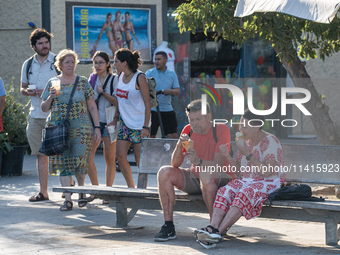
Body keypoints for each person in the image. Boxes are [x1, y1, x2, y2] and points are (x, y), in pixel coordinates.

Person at [194, 110, 285, 249]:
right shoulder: (244, 142)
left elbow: (267, 173)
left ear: (256, 127)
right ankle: (212, 227)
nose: (240, 129)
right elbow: (239, 173)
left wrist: (248, 154)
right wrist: (228, 156)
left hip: (269, 181)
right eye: (240, 125)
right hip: (248, 180)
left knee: (245, 193)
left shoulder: (271, 141)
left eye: (244, 126)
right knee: (225, 190)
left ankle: (218, 233)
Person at [153, 99, 233, 242]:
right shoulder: (188, 130)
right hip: (196, 177)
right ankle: (168, 226)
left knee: (206, 174)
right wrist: (179, 144)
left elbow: (218, 164)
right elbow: (175, 164)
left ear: (208, 117)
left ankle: (214, 227)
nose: (194, 123)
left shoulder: (221, 129)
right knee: (164, 172)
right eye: (191, 119)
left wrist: (199, 161)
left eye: (198, 119)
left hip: (220, 178)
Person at [41, 49, 101, 211]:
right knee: (63, 162)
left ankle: (81, 193)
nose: (70, 65)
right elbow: (45, 108)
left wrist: (97, 127)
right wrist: (51, 96)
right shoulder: (53, 83)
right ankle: (67, 199)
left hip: (82, 128)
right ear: (60, 65)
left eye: (72, 62)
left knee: (81, 161)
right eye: (66, 62)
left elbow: (92, 106)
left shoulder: (82, 82)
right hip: (59, 128)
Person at [20, 28, 58, 202]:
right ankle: (43, 192)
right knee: (40, 154)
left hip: (56, 115)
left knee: (61, 153)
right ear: (34, 46)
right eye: (40, 43)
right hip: (35, 114)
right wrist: (28, 92)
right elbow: (22, 88)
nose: (45, 46)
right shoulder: (28, 64)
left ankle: (68, 192)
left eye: (46, 42)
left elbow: (66, 86)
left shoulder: (58, 61)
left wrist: (49, 93)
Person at [108, 48, 151, 188]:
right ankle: (131, 188)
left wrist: (146, 127)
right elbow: (120, 101)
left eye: (116, 61)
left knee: (141, 162)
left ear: (125, 63)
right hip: (125, 124)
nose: (113, 64)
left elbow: (147, 103)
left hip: (139, 125)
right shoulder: (119, 76)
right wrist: (115, 118)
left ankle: (142, 191)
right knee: (120, 157)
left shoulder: (140, 77)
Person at [87, 51, 118, 203]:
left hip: (110, 121)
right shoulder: (91, 79)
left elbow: (118, 102)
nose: (97, 65)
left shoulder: (114, 79)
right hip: (94, 122)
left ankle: (108, 191)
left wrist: (103, 92)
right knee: (88, 156)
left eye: (100, 62)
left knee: (109, 158)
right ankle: (95, 189)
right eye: (95, 62)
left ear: (107, 64)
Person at [145, 51, 180, 139]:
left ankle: (173, 152)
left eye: (159, 59)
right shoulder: (149, 73)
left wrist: (170, 91)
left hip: (167, 109)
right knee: (150, 135)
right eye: (155, 59)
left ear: (165, 60)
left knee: (173, 136)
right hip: (152, 110)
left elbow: (177, 91)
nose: (156, 62)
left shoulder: (172, 74)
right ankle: (151, 152)